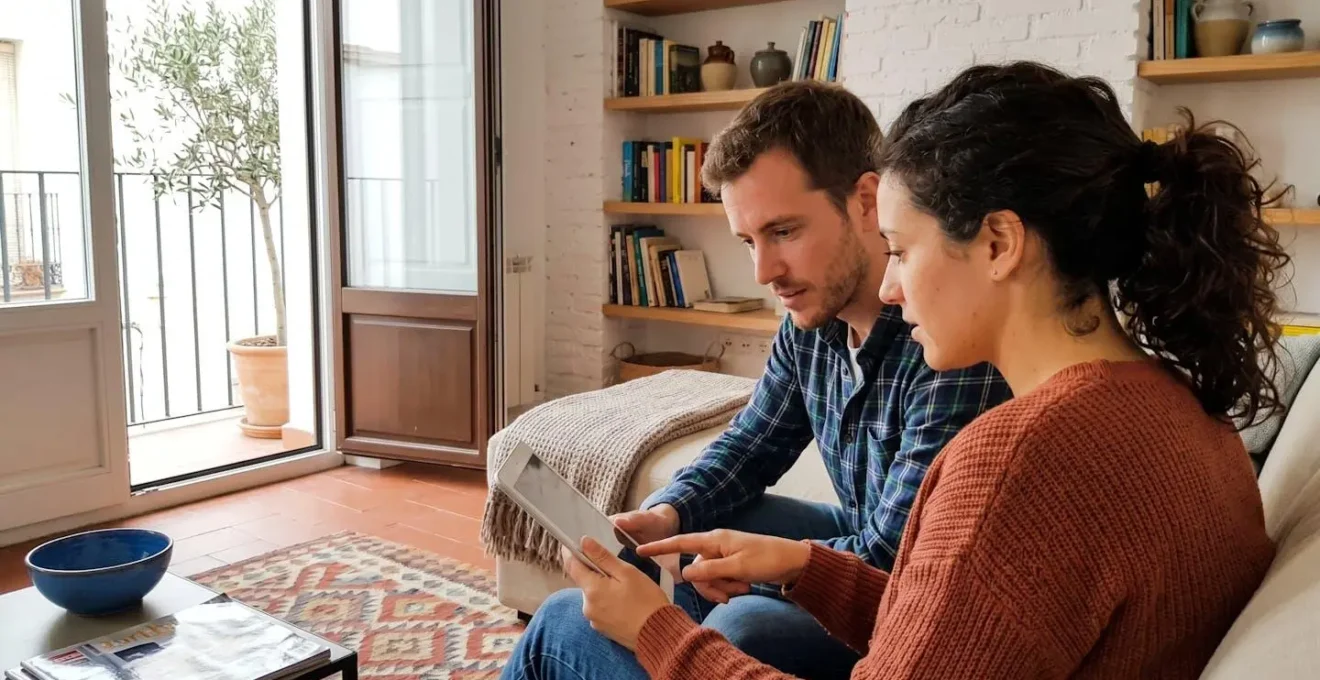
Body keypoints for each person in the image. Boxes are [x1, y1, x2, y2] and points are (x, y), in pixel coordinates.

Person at [502, 61, 1285, 680]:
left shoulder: (1014, 459)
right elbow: (966, 618)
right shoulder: (1185, 408)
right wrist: (806, 568)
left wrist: (657, 631)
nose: (889, 286)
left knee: (563, 626)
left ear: (999, 244)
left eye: (903, 251)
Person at [602, 80, 1008, 678]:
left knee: (743, 622)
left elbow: (894, 557)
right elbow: (753, 444)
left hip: (911, 588)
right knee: (680, 539)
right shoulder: (810, 318)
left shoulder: (947, 340)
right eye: (748, 241)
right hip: (865, 533)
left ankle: (688, 646)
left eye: (784, 231)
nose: (764, 272)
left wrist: (764, 571)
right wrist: (669, 511)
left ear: (865, 201)